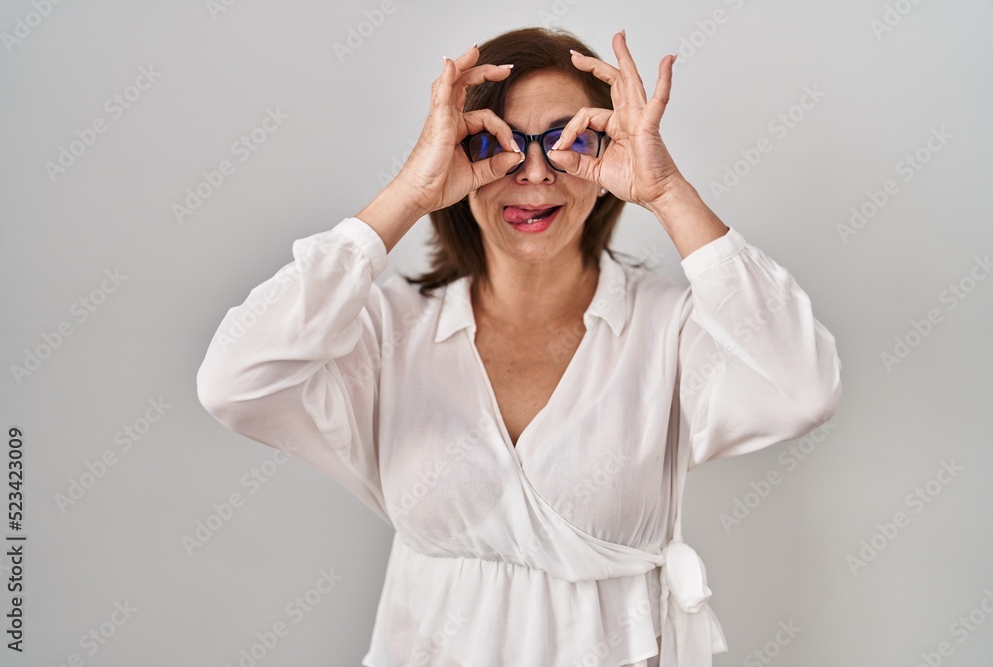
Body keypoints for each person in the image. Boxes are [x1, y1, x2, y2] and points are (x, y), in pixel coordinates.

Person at [196, 26, 842, 667]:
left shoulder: (666, 331)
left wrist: (670, 194)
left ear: (607, 153)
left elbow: (802, 388)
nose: (534, 172)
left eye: (569, 141)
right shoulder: (390, 332)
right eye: (497, 143)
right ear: (458, 152)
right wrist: (408, 195)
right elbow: (232, 381)